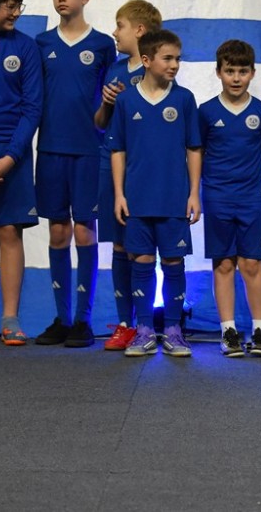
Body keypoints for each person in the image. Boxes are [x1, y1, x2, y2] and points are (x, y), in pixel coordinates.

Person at [33, 0, 116, 348]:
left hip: (88, 150)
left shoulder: (102, 45)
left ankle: (83, 319)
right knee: (57, 231)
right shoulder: (42, 44)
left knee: (84, 230)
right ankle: (62, 318)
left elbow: (110, 102)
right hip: (51, 149)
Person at [109, 29, 201, 357]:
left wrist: (194, 193)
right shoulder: (126, 101)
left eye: (178, 58)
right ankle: (144, 330)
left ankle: (173, 330)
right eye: (167, 58)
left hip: (174, 199)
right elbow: (117, 150)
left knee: (174, 261)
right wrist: (119, 194)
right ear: (146, 60)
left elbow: (194, 148)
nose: (174, 64)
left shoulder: (184, 99)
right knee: (142, 262)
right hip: (136, 199)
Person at [199, 40, 261, 357]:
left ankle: (260, 331)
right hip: (217, 198)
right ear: (218, 72)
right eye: (229, 71)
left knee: (251, 264)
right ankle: (228, 331)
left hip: (249, 200)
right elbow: (198, 154)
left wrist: (256, 187)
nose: (236, 78)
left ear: (252, 73)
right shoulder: (206, 112)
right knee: (223, 264)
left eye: (242, 71)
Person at [0, 0, 43, 345]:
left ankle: (10, 318)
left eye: (18, 6)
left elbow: (32, 108)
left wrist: (10, 157)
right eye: (10, 7)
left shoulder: (27, 48)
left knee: (8, 232)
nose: (16, 13)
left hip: (13, 156)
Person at [94, 0, 162, 351]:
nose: (114, 32)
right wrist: (108, 103)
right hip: (112, 164)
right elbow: (100, 123)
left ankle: (147, 324)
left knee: (143, 247)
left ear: (139, 30)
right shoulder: (115, 70)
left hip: (145, 169)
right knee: (119, 244)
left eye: (119, 25)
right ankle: (125, 324)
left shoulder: (158, 70)